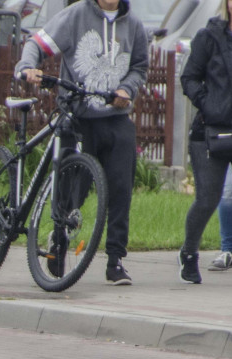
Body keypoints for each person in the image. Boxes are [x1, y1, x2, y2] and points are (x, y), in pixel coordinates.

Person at [15, 0, 148, 286]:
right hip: (77, 116)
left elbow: (139, 67)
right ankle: (59, 242)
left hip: (116, 117)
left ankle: (115, 260)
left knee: (121, 189)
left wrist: (127, 88)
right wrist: (28, 66)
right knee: (71, 188)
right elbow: (37, 43)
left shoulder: (134, 25)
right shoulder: (76, 15)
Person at [178, 0, 232, 286]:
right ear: (226, 4)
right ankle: (189, 254)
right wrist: (208, 105)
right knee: (207, 200)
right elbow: (188, 78)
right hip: (210, 134)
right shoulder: (208, 37)